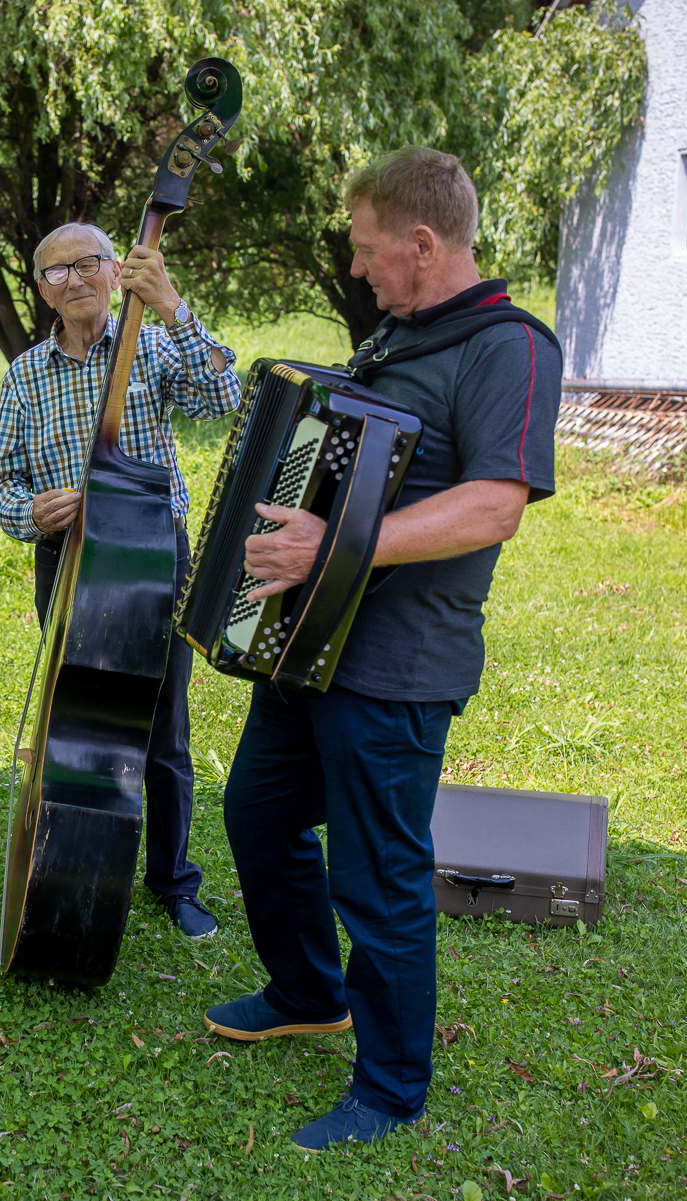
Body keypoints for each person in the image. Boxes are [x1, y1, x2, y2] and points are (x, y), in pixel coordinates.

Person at [201, 147, 562, 1148]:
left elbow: (495, 504)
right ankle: (309, 989)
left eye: (367, 251)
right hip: (307, 648)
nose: (357, 271)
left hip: (397, 667)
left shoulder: (509, 348)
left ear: (423, 241)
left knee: (379, 873)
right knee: (258, 817)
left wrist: (336, 549)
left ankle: (391, 1086)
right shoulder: (395, 339)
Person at [0, 223, 240, 938]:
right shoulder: (26, 374)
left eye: (89, 263)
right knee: (78, 718)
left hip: (154, 554)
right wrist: (29, 510)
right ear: (41, 290)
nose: (76, 280)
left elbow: (223, 395)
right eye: (57, 271)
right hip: (65, 558)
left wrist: (172, 307)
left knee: (163, 723)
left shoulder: (151, 344)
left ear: (114, 269)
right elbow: (1, 481)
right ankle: (81, 858)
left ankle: (173, 880)